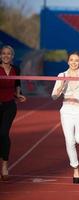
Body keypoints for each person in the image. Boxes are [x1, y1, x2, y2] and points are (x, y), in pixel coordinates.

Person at [51, 51, 79, 184]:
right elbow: (54, 96)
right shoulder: (62, 75)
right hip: (66, 110)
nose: (74, 62)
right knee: (70, 141)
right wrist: (61, 87)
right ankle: (75, 169)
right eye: (71, 60)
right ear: (68, 61)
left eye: (76, 60)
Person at [0, 45, 26, 181]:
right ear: (0, 55)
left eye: (8, 54)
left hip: (9, 106)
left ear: (12, 56)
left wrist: (19, 95)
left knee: (3, 134)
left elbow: (17, 86)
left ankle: (4, 164)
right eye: (3, 53)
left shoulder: (16, 69)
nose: (6, 56)